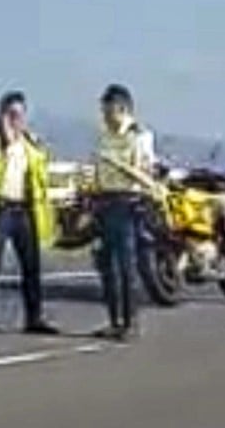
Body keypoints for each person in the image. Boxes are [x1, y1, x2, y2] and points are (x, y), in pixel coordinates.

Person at [0, 91, 59, 335]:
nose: (15, 120)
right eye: (10, 115)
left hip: (23, 210)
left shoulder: (29, 144)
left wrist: (33, 143)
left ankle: (34, 317)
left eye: (19, 115)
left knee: (31, 266)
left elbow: (41, 167)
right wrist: (4, 139)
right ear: (1, 115)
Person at [92, 84, 155, 341]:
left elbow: (146, 178)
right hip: (104, 203)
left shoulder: (139, 137)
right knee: (106, 266)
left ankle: (131, 323)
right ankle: (114, 320)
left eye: (109, 111)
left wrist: (117, 165)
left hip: (128, 203)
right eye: (103, 111)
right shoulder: (105, 136)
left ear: (123, 109)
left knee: (127, 266)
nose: (105, 117)